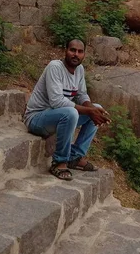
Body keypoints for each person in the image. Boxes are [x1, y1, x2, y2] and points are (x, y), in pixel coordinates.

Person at [24, 38, 110, 181]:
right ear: (65, 51)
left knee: (97, 108)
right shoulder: (55, 67)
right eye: (72, 50)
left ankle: (74, 157)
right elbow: (57, 101)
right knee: (71, 112)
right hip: (37, 118)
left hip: (59, 118)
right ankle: (59, 162)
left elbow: (82, 95)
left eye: (80, 51)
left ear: (84, 55)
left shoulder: (79, 70)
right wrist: (88, 111)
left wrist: (93, 110)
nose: (76, 54)